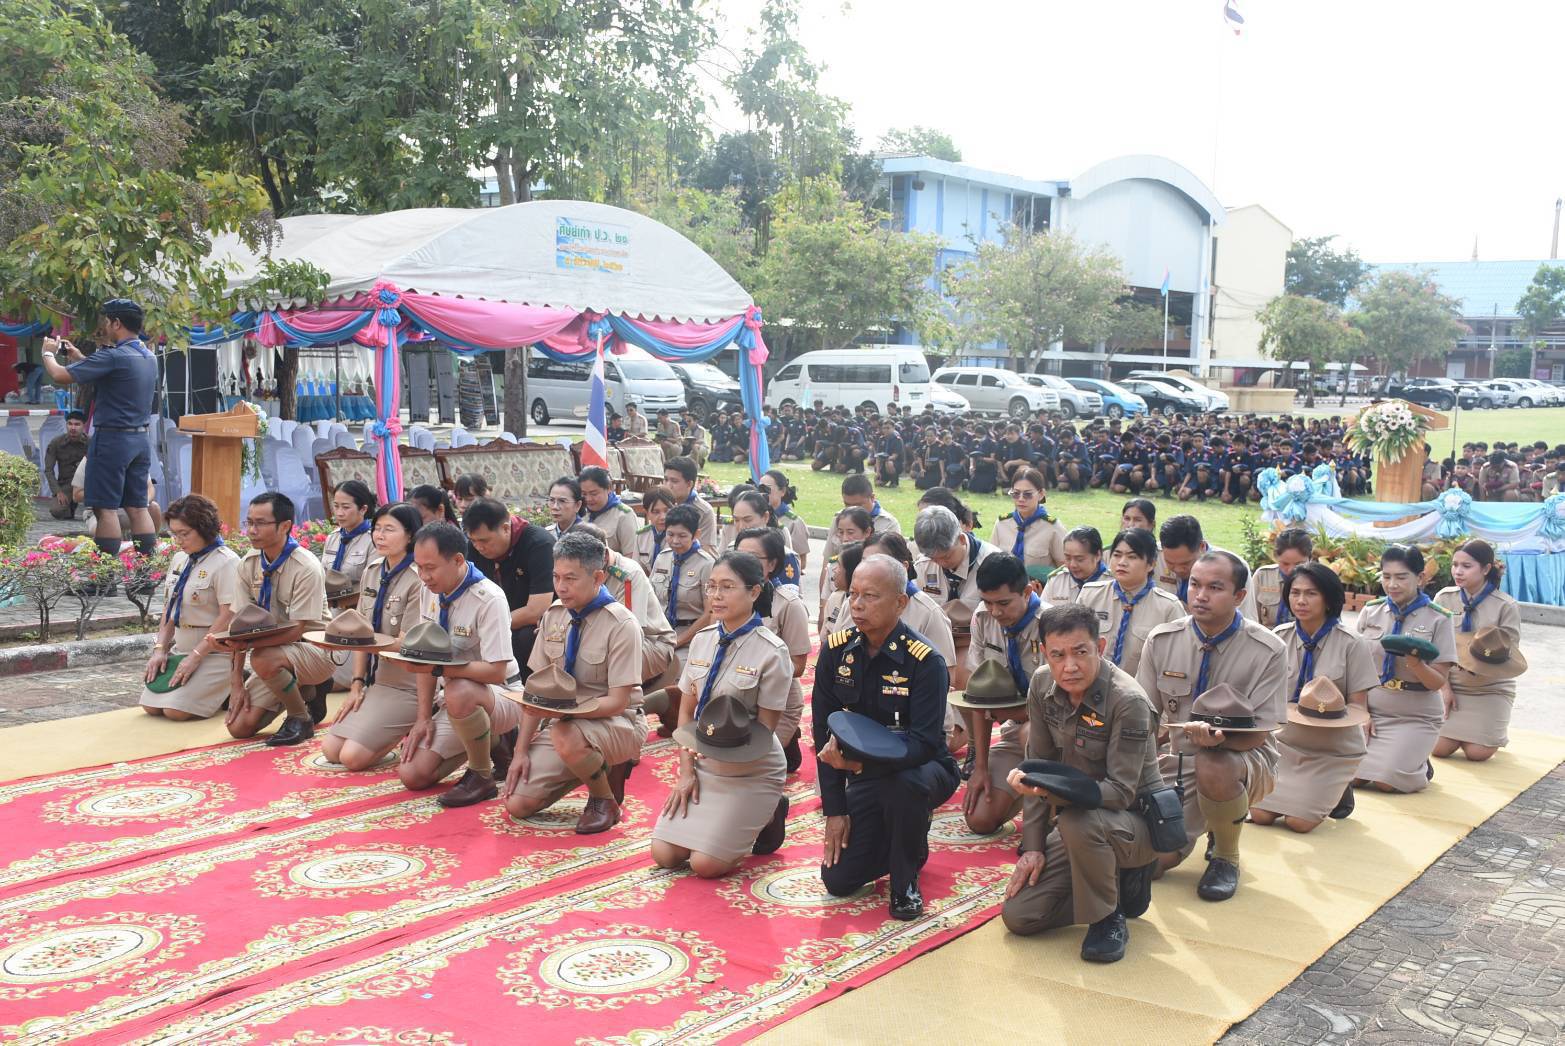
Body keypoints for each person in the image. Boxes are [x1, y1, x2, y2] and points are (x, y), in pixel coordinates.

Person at [1001, 604, 1165, 963]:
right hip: (1083, 822)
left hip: (1135, 823)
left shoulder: (1128, 700)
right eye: (1058, 655)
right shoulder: (1042, 684)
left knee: (1078, 821)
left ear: (1100, 647)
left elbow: (1121, 792)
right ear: (1044, 653)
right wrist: (1033, 848)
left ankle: (1107, 918)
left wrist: (1049, 791)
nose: (1069, 666)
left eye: (1080, 652)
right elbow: (1037, 769)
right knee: (1021, 916)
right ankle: (1115, 887)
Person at [814, 556, 960, 920]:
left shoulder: (924, 661)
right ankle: (906, 836)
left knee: (905, 786)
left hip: (924, 769)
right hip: (868, 773)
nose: (857, 605)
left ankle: (905, 880)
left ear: (900, 602)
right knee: (838, 879)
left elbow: (923, 745)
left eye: (871, 596)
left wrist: (858, 766)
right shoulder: (836, 651)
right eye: (853, 594)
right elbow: (823, 733)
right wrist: (835, 810)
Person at [1136, 551, 1286, 901]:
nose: (1200, 596)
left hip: (1243, 759)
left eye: (1215, 588)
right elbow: (1144, 719)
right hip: (1176, 760)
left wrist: (1217, 742)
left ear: (1239, 596)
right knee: (1144, 865)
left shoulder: (1268, 650)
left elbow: (1259, 734)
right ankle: (1214, 820)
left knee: (1214, 764)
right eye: (1195, 585)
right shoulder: (1162, 640)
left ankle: (1225, 856)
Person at [651, 551, 793, 876]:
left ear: (754, 592)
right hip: (705, 764)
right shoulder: (703, 641)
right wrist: (686, 772)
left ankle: (769, 810)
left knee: (705, 865)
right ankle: (752, 817)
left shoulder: (772, 652)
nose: (716, 595)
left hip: (751, 770)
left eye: (727, 587)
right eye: (712, 586)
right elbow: (686, 714)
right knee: (665, 855)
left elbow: (765, 730)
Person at [503, 531, 647, 834]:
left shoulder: (622, 624)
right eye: (556, 577)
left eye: (571, 578)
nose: (561, 587)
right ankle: (594, 767)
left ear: (597, 577)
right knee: (518, 803)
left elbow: (618, 702)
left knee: (566, 734)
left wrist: (567, 712)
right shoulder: (555, 615)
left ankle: (604, 799)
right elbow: (535, 692)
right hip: (566, 727)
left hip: (617, 722)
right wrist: (520, 751)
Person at [393, 522, 525, 808]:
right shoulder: (431, 590)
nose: (424, 577)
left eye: (431, 568)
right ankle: (494, 742)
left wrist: (439, 670)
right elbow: (425, 658)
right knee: (412, 775)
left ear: (457, 560)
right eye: (419, 567)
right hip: (458, 701)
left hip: (503, 695)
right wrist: (423, 718)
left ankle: (481, 775)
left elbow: (496, 671)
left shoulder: (489, 598)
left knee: (460, 690)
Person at [1249, 562, 1379, 831]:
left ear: (1329, 599)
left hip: (1332, 748)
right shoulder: (1278, 638)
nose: (1301, 601)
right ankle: (1325, 792)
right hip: (1286, 742)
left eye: (1311, 594)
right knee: (1261, 816)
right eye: (1295, 593)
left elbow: (1358, 705)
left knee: (1299, 823)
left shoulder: (1352, 643)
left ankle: (1337, 785)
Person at [41, 299, 159, 560]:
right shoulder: (148, 356)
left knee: (104, 508)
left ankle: (104, 574)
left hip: (112, 440)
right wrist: (80, 359)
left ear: (116, 323)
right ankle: (146, 571)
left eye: (107, 321)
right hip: (140, 440)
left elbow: (59, 375)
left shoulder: (113, 356)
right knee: (138, 507)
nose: (104, 326)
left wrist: (48, 353)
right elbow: (115, 375)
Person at [217, 492, 335, 746]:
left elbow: (296, 631)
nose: (252, 530)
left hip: (315, 649)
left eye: (260, 523)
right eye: (249, 522)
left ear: (284, 526)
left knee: (263, 658)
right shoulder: (248, 564)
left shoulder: (306, 566)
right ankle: (308, 691)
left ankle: (300, 718)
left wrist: (247, 645)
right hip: (275, 653)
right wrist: (236, 682)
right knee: (239, 728)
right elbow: (240, 626)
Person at [318, 502, 426, 770]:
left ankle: (412, 724)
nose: (380, 535)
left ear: (410, 535)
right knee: (331, 750)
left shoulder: (419, 578)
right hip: (377, 681)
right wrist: (356, 685)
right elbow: (361, 632)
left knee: (352, 758)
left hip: (409, 684)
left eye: (389, 529)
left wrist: (364, 643)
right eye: (377, 528)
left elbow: (407, 644)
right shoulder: (373, 570)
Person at [1353, 544, 1456, 793]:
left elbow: (1437, 682)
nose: (1392, 585)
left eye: (1401, 577)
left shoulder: (1439, 618)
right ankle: (1407, 758)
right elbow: (1354, 670)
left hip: (1415, 714)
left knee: (1386, 782)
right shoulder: (1371, 611)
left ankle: (1418, 766)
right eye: (1386, 576)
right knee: (1351, 778)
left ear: (1420, 578)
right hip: (1373, 709)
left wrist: (1416, 664)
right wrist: (1361, 712)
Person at [957, 554, 1041, 835]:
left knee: (1031, 732)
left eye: (1003, 603)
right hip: (1015, 732)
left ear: (1027, 592)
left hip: (1058, 736)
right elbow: (979, 698)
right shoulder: (982, 619)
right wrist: (980, 766)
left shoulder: (1051, 624)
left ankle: (1048, 811)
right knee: (979, 820)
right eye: (987, 602)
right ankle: (1024, 790)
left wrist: (1013, 713)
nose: (994, 612)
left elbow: (1061, 707)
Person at [139, 494, 241, 720]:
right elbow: (170, 608)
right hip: (181, 649)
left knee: (175, 712)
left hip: (214, 653)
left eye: (184, 534)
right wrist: (160, 649)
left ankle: (235, 679)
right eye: (174, 534)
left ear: (204, 528)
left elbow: (228, 615)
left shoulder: (227, 562)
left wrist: (196, 655)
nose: (178, 540)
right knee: (151, 707)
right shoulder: (180, 559)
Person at [1434, 539, 1522, 763]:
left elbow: (1510, 654)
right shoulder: (1444, 598)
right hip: (1451, 682)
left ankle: (1487, 731)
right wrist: (1444, 688)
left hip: (1490, 687)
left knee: (1477, 753)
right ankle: (1464, 733)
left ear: (1485, 569)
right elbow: (1434, 648)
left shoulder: (1506, 606)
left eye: (1466, 566)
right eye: (1455, 565)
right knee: (1439, 748)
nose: (1458, 571)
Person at [735, 528, 812, 770]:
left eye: (753, 558)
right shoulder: (728, 598)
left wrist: (755, 668)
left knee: (753, 767)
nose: (742, 563)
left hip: (778, 700)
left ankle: (785, 740)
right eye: (738, 555)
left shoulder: (789, 605)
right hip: (737, 694)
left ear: (772, 564)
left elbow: (798, 666)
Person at [463, 497, 556, 680]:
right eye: (473, 541)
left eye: (484, 541)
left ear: (506, 528)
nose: (478, 547)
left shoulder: (539, 544)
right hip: (493, 622)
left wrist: (490, 625)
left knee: (525, 637)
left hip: (532, 625)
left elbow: (537, 610)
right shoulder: (474, 547)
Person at [1077, 528, 1183, 678]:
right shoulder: (1090, 595)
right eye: (1117, 555)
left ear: (1151, 564)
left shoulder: (1168, 608)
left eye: (1132, 557)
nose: (1122, 562)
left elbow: (1176, 660)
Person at [912, 504, 1004, 624]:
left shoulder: (996, 566)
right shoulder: (923, 566)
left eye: (946, 556)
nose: (941, 564)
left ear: (962, 539)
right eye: (934, 559)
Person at [650, 504, 714, 658]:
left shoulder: (707, 564)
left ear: (696, 534)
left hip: (691, 636)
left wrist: (678, 641)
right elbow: (650, 599)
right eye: (670, 534)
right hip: (660, 633)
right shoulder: (662, 558)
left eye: (682, 536)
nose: (675, 541)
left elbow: (710, 613)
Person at [991, 468, 1066, 579]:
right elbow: (992, 562)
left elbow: (1064, 567)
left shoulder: (1052, 527)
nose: (1021, 499)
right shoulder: (1002, 524)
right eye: (1016, 494)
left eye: (1027, 494)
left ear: (1041, 494)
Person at [1240, 527, 1312, 628]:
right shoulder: (1263, 576)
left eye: (1299, 564)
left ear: (1310, 558)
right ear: (1275, 557)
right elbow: (1250, 617)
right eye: (1285, 564)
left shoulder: (1321, 580)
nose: (1291, 570)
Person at [322, 480, 378, 589]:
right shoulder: (332, 538)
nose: (339, 513)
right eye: (336, 506)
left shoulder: (374, 540)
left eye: (346, 507)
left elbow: (372, 582)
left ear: (363, 509)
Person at [1155, 514, 1218, 607]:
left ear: (1202, 547)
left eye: (1185, 563)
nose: (1178, 569)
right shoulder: (1152, 556)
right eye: (1170, 563)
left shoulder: (1230, 568)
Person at [578, 465, 638, 557]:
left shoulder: (624, 515)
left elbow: (631, 556)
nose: (588, 499)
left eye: (594, 494)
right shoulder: (580, 512)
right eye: (584, 494)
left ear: (609, 488)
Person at [759, 469, 811, 572]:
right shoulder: (755, 517)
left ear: (782, 491)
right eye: (760, 488)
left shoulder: (794, 522)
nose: (762, 493)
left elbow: (802, 562)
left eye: (767, 489)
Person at [1041, 526, 1108, 604]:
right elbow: (1042, 610)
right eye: (1068, 558)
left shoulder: (1112, 585)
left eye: (1079, 559)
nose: (1072, 565)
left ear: (1098, 555)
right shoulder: (1056, 581)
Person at [43, 410, 89, 520]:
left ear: (84, 425)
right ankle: (70, 506)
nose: (73, 428)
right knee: (57, 511)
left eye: (77, 424)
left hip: (87, 484)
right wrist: (58, 492)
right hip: (67, 484)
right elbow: (48, 470)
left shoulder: (91, 443)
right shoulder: (56, 443)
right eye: (70, 424)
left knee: (100, 512)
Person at [663, 456, 717, 545]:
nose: (668, 485)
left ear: (689, 484)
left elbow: (706, 548)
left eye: (674, 481)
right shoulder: (663, 506)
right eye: (666, 480)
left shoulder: (704, 512)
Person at [635, 486, 676, 576]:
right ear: (647, 513)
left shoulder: (682, 537)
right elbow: (637, 571)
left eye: (667, 511)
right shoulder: (641, 537)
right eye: (656, 512)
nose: (663, 517)